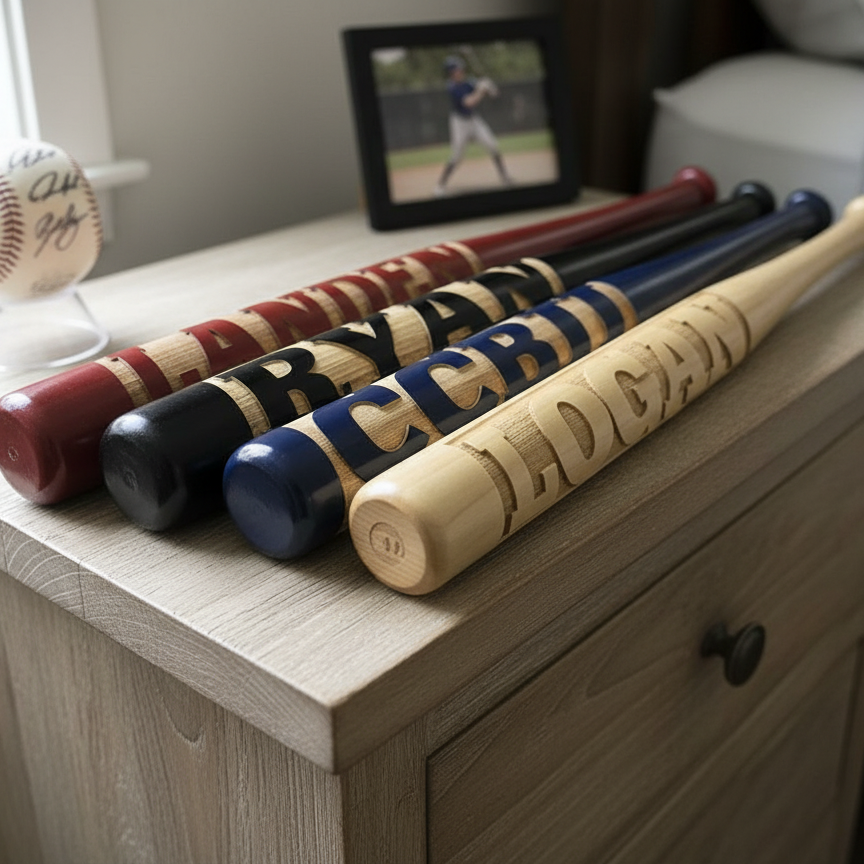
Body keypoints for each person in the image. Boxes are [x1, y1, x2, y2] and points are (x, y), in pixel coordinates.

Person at [435, 55, 513, 196]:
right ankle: (441, 185)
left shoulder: (468, 82)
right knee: (457, 156)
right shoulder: (452, 87)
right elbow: (469, 102)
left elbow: (493, 93)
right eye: (457, 69)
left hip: (473, 120)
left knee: (492, 145)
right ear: (451, 72)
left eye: (460, 69)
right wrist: (481, 90)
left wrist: (489, 87)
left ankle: (505, 177)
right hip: (459, 122)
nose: (460, 71)